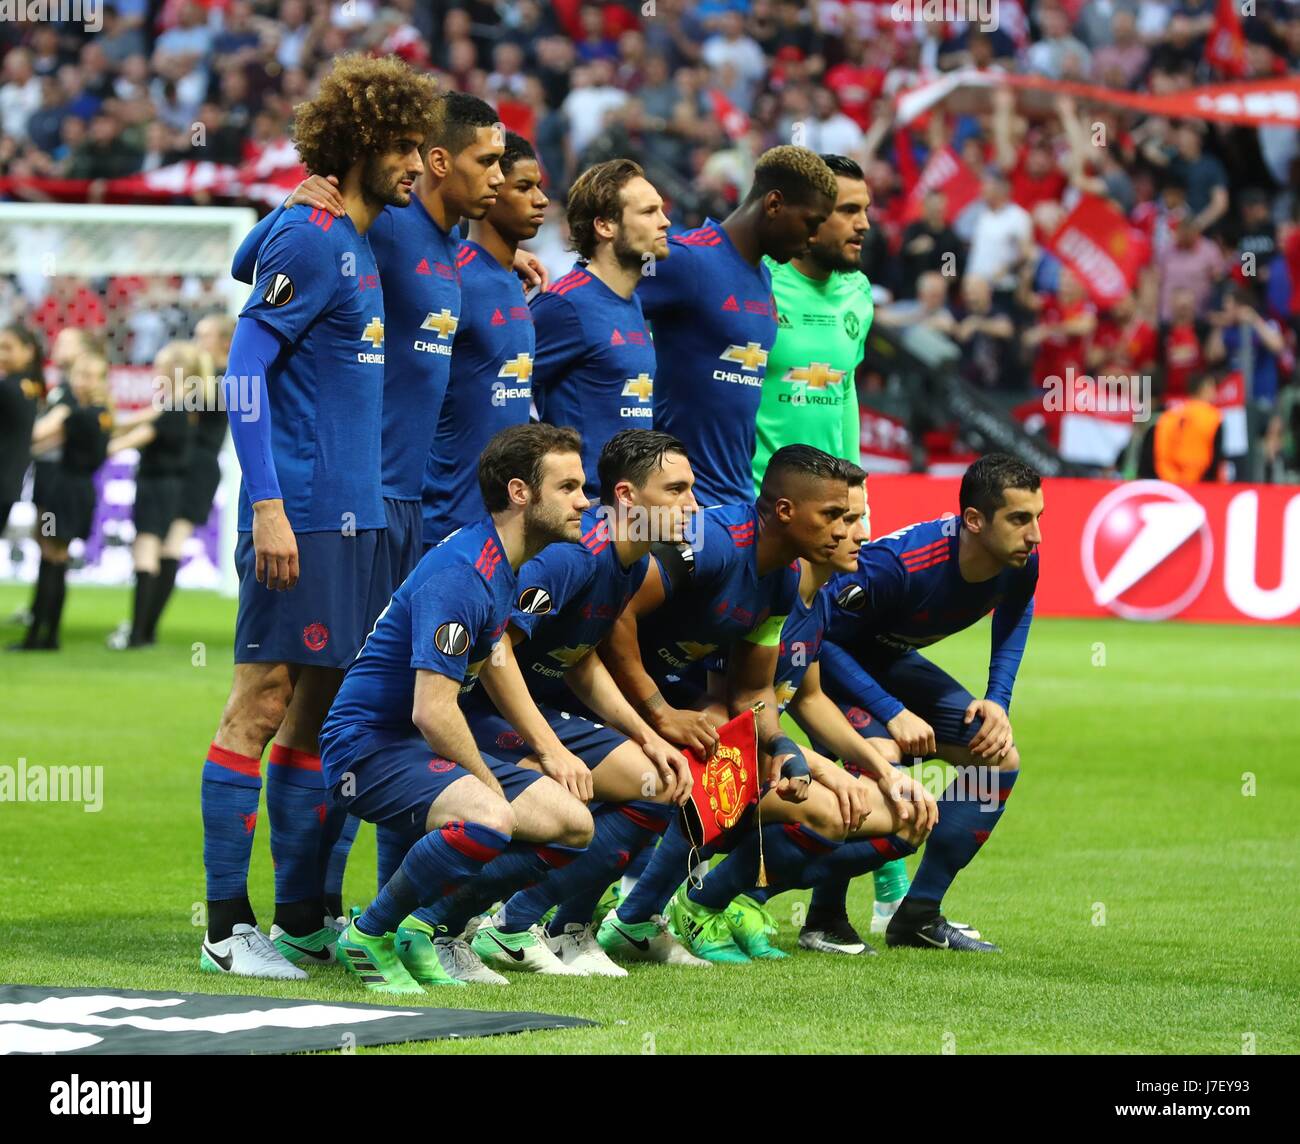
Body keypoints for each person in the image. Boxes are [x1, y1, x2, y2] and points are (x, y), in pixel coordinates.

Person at [198, 54, 439, 981]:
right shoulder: (315, 234)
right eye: (405, 147)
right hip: (296, 515)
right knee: (259, 705)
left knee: (318, 714)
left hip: (356, 519)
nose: (418, 163)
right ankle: (226, 927)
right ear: (360, 145)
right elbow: (244, 371)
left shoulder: (354, 237)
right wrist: (266, 505)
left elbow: (239, 259)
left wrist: (289, 210)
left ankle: (299, 918)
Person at [319, 424, 595, 994]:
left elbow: (495, 661)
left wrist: (551, 750)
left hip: (412, 743)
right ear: (521, 492)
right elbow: (432, 711)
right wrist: (489, 785)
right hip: (366, 746)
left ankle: (423, 929)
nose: (584, 501)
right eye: (568, 487)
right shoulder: (462, 574)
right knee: (490, 817)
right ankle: (369, 934)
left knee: (573, 826)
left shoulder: (499, 560)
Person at [438, 430, 701, 977]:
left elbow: (580, 658)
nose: (692, 506)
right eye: (675, 490)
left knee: (660, 778)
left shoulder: (633, 559)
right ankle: (491, 923)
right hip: (475, 712)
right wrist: (551, 750)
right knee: (628, 790)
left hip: (532, 710)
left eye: (692, 490)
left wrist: (650, 733)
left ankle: (565, 928)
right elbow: (496, 654)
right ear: (627, 498)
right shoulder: (574, 556)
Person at [593, 445, 856, 961]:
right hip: (593, 676)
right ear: (785, 512)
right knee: (663, 779)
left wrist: (782, 743)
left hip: (663, 686)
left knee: (727, 751)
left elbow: (754, 690)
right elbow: (614, 611)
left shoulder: (781, 580)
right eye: (831, 515)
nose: (845, 530)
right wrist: (658, 711)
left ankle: (636, 918)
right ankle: (546, 916)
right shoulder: (713, 542)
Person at [668, 467, 938, 959]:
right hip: (716, 762)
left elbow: (809, 699)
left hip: (765, 762)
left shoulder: (818, 601)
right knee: (828, 809)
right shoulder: (770, 595)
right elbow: (739, 714)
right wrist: (830, 773)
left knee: (906, 818)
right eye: (844, 518)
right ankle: (698, 902)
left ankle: (744, 901)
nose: (859, 533)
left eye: (860, 518)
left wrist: (887, 774)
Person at [818, 453, 1043, 952]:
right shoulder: (899, 567)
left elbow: (1014, 616)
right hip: (828, 670)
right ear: (974, 521)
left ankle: (918, 914)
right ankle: (823, 917)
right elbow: (818, 638)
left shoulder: (1019, 560)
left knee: (997, 757)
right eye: (1020, 520)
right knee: (880, 757)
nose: (1035, 536)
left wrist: (997, 699)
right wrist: (891, 712)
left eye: (1038, 519)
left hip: (890, 662)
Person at [637, 145, 837, 506]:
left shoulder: (764, 278)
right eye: (810, 223)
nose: (812, 240)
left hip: (741, 500)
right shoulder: (686, 260)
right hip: (685, 504)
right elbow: (598, 299)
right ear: (774, 204)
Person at [421, 133, 550, 549]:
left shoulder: (514, 281)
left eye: (541, 187)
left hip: (502, 523)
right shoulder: (452, 275)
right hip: (445, 522)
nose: (542, 200)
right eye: (524, 187)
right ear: (492, 190)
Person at [532, 159, 668, 500]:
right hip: (585, 510)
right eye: (649, 212)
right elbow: (506, 393)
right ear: (605, 225)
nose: (664, 222)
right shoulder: (564, 306)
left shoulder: (633, 303)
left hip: (630, 510)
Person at [751, 154, 873, 493]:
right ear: (812, 214)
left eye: (865, 210)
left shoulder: (859, 292)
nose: (863, 223)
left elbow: (845, 390)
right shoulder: (756, 283)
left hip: (826, 510)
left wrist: (856, 493)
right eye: (849, 210)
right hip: (754, 503)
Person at [136, 314, 236, 646]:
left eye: (203, 336)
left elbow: (172, 411)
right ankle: (145, 628)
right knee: (167, 544)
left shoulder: (220, 380)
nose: (197, 342)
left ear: (224, 341)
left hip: (195, 467)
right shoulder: (208, 379)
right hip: (190, 466)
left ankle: (142, 629)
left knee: (167, 543)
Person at [12, 349, 112, 651]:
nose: (83, 382)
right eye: (80, 375)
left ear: (101, 380)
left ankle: (41, 636)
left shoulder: (74, 414)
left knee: (51, 557)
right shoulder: (103, 414)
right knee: (57, 557)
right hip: (81, 490)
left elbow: (38, 439)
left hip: (63, 489)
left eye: (90, 376)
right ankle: (47, 634)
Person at [106, 340, 197, 649]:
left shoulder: (173, 409)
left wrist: (103, 447)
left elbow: (138, 436)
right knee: (158, 550)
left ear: (173, 371)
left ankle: (137, 634)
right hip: (170, 486)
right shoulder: (183, 406)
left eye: (160, 368)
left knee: (145, 551)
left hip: (156, 485)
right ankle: (144, 631)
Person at [1140, 372, 1224, 484]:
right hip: (1201, 481)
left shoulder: (1168, 416)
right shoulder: (1213, 417)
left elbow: (1156, 450)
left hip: (1168, 478)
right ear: (1205, 388)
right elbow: (1216, 456)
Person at [0, 324, 43, 535]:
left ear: (29, 351)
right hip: (10, 484)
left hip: (7, 482)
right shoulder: (30, 387)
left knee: (50, 539)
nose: (2, 354)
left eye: (8, 348)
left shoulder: (10, 388)